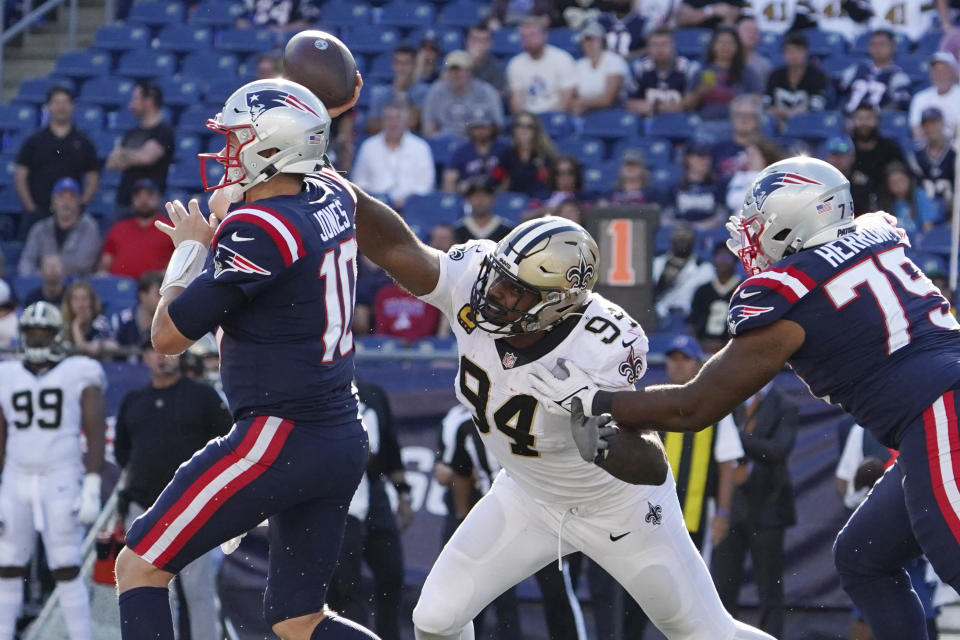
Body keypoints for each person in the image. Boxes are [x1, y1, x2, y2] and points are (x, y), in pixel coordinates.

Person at [526, 155, 960, 640]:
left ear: (794, 222)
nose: (750, 238)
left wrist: (597, 399)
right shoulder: (876, 236)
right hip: (937, 409)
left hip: (942, 412)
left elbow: (695, 406)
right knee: (864, 556)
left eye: (760, 224)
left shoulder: (792, 293)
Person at [349, 183, 776, 639]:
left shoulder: (598, 344)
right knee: (434, 619)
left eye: (517, 292)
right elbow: (396, 247)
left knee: (703, 633)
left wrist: (605, 445)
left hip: (617, 507)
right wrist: (334, 187)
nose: (496, 294)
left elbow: (650, 464)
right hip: (527, 495)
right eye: (499, 277)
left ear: (556, 304)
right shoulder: (473, 278)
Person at [113, 77, 380, 640]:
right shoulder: (336, 196)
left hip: (279, 436)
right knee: (298, 621)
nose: (226, 152)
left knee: (139, 564)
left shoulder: (259, 229)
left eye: (236, 139)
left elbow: (166, 337)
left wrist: (188, 250)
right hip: (338, 432)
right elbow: (284, 209)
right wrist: (228, 216)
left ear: (272, 145)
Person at [114, 339, 233, 640]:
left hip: (193, 507)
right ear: (143, 357)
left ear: (182, 355)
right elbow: (123, 456)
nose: (162, 357)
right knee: (150, 591)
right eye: (154, 351)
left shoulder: (203, 396)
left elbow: (230, 447)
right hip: (144, 506)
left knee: (198, 592)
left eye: (168, 350)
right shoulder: (133, 400)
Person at [0, 302, 106, 640]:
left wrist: (91, 483)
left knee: (66, 565)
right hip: (16, 476)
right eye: (30, 331)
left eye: (42, 331)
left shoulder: (78, 370)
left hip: (60, 475)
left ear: (56, 334)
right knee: (7, 564)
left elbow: (95, 429)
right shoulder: (7, 374)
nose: (35, 338)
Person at [711, 382, 798, 639]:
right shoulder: (728, 400)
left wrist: (736, 437)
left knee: (769, 589)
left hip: (768, 508)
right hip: (730, 508)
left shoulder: (786, 405)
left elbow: (778, 451)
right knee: (722, 585)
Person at [328, 378, 411, 640]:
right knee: (344, 585)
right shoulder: (311, 391)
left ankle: (389, 635)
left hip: (372, 491)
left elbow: (389, 447)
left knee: (391, 576)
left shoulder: (372, 394)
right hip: (336, 499)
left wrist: (404, 494)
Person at [13, 86, 99, 238]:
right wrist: (30, 207)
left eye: (65, 102)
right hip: (38, 213)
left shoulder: (83, 142)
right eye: (56, 102)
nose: (61, 107)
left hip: (72, 216)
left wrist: (82, 204)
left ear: (73, 106)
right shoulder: (34, 141)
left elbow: (93, 176)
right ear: (48, 107)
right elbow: (20, 175)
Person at [106, 81, 175, 213]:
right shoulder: (131, 133)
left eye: (135, 99)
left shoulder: (164, 131)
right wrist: (136, 155)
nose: (131, 104)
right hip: (125, 202)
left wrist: (124, 154)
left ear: (149, 101)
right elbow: (111, 163)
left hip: (150, 205)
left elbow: (147, 158)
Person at [351, 101, 435, 209]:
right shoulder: (369, 146)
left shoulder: (421, 147)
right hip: (375, 208)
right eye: (389, 118)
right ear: (382, 121)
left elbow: (426, 185)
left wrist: (406, 200)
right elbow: (359, 182)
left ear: (405, 121)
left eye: (398, 118)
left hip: (411, 208)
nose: (393, 123)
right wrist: (373, 198)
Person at [17, 177, 101, 277]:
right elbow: (26, 260)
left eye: (71, 197)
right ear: (53, 202)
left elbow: (84, 261)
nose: (66, 202)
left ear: (79, 201)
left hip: (77, 285)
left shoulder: (89, 227)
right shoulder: (40, 228)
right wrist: (35, 276)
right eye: (61, 197)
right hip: (44, 283)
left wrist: (51, 269)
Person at [97, 179, 174, 279]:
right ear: (132, 199)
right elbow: (106, 261)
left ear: (158, 198)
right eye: (138, 196)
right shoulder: (118, 228)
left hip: (156, 289)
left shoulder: (170, 227)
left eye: (149, 195)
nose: (144, 200)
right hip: (120, 287)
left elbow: (179, 261)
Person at [684, 26, 762, 120]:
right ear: (713, 46)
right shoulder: (701, 72)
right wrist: (700, 92)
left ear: (737, 47)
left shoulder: (747, 72)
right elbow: (686, 106)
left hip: (738, 124)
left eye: (730, 43)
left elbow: (759, 100)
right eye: (721, 42)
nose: (725, 47)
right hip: (707, 123)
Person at [422, 50, 504, 139]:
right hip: (445, 143)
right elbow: (428, 128)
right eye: (451, 70)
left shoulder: (486, 92)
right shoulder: (436, 91)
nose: (455, 74)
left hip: (476, 143)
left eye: (459, 70)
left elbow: (498, 126)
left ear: (470, 72)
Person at [507, 15, 577, 114]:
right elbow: (516, 100)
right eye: (524, 36)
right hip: (528, 120)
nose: (528, 40)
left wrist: (546, 119)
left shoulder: (562, 59)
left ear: (544, 35)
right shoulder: (515, 63)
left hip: (555, 115)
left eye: (532, 35)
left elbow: (566, 99)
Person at [653, 223, 716, 325]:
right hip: (656, 317)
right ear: (670, 238)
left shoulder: (704, 268)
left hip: (688, 321)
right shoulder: (656, 263)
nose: (681, 239)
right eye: (677, 235)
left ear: (694, 240)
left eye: (686, 236)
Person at [765, 31, 830, 128]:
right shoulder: (775, 76)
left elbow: (815, 107)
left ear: (806, 52)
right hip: (777, 126)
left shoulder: (817, 77)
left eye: (798, 51)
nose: (794, 55)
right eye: (789, 51)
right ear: (783, 54)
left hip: (808, 127)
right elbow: (767, 105)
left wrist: (786, 114)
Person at [838, 29, 911, 113]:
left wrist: (874, 117)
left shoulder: (898, 76)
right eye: (873, 44)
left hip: (876, 121)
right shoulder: (857, 69)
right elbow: (839, 89)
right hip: (848, 116)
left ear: (893, 47)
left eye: (882, 44)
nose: (877, 48)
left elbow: (899, 103)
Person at [687, 244, 742, 354]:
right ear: (713, 260)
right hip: (703, 348)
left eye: (727, 257)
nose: (723, 261)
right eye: (719, 257)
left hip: (733, 350)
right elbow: (692, 323)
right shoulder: (702, 290)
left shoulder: (743, 290)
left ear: (735, 260)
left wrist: (728, 344)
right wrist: (699, 344)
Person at [626, 27, 691, 117]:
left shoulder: (688, 68)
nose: (659, 49)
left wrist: (655, 108)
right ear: (648, 48)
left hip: (681, 121)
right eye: (654, 45)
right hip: (647, 121)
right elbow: (628, 102)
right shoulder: (638, 68)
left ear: (673, 45)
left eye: (664, 44)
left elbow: (690, 104)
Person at [850, 104, 906, 208]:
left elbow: (901, 176)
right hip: (853, 202)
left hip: (887, 201)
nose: (864, 123)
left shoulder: (891, 148)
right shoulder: (846, 148)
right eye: (860, 118)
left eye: (869, 118)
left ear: (877, 121)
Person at [491, 111, 556, 198]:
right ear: (514, 129)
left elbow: (548, 186)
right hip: (512, 202)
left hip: (539, 203)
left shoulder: (546, 156)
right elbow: (494, 180)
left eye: (529, 127)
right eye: (520, 125)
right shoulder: (506, 155)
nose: (524, 130)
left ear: (536, 131)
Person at [366, 46, 429, 135]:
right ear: (392, 65)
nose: (401, 68)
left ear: (414, 66)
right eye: (397, 63)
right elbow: (372, 127)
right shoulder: (380, 93)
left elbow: (412, 123)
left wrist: (400, 92)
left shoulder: (422, 91)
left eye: (406, 63)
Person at [571, 21, 629, 116]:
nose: (588, 43)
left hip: (612, 112)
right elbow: (573, 94)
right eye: (585, 40)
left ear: (602, 40)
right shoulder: (579, 64)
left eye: (592, 39)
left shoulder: (614, 60)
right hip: (584, 113)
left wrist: (582, 103)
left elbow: (607, 100)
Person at [442, 110, 507, 194]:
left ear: (493, 127)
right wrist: (458, 191)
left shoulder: (504, 148)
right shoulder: (460, 151)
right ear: (470, 129)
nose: (480, 131)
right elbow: (449, 179)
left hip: (497, 193)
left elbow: (509, 177)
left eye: (483, 127)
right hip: (468, 195)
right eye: (476, 127)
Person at [668, 141, 726, 228]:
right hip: (681, 234)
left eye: (708, 157)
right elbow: (666, 216)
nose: (706, 161)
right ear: (689, 159)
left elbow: (722, 215)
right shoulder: (676, 188)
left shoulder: (718, 187)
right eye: (700, 156)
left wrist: (701, 226)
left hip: (710, 232)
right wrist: (683, 227)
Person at [907, 107, 956, 211]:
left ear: (942, 123)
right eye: (926, 125)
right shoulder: (917, 155)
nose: (930, 128)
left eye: (934, 123)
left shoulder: (955, 153)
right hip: (928, 209)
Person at [877, 162, 943, 236]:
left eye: (901, 180)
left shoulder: (919, 195)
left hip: (919, 243)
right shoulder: (884, 202)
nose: (898, 186)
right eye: (893, 183)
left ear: (908, 179)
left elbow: (928, 226)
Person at [908, 51, 960, 141]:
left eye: (944, 70)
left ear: (953, 72)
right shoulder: (920, 98)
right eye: (935, 70)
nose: (939, 74)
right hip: (928, 147)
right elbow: (916, 130)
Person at [110, 271, 163, 349]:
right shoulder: (121, 321)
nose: (163, 299)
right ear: (143, 296)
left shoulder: (169, 324)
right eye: (158, 294)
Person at [821, 135, 873, 215]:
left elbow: (867, 212)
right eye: (833, 155)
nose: (837, 159)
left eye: (841, 155)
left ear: (852, 158)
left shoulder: (861, 183)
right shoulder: (819, 181)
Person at [61, 280, 114, 358]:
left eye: (84, 299)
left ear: (92, 302)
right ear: (69, 303)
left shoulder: (100, 322)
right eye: (75, 299)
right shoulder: (63, 323)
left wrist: (76, 326)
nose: (80, 304)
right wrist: (75, 325)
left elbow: (82, 355)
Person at [454, 177, 512, 245]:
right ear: (468, 200)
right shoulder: (457, 230)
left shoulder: (506, 229)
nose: (480, 200)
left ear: (493, 199)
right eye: (476, 196)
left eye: (484, 196)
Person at [465, 23, 506, 94]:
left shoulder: (497, 67)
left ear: (490, 44)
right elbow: (443, 87)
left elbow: (496, 99)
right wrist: (469, 63)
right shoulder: (453, 60)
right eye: (475, 39)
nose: (479, 44)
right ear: (467, 41)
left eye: (484, 40)